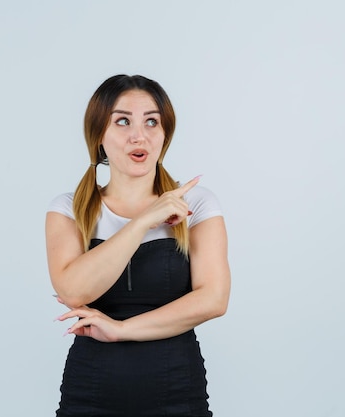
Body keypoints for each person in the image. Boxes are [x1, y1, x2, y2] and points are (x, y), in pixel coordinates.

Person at [45, 74, 231, 416]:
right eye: (122, 121)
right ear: (99, 134)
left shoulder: (197, 203)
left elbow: (213, 300)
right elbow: (74, 291)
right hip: (90, 392)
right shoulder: (67, 209)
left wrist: (121, 329)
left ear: (164, 134)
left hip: (177, 391)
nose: (139, 135)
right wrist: (144, 220)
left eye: (151, 122)